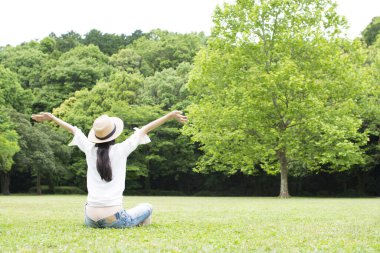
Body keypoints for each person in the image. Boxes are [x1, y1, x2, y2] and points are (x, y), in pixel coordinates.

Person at [31, 111, 188, 228]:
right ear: (114, 134)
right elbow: (144, 129)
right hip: (115, 219)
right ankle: (137, 225)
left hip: (90, 219)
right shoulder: (121, 150)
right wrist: (170, 116)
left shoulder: (89, 149)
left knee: (134, 212)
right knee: (147, 207)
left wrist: (51, 117)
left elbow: (74, 130)